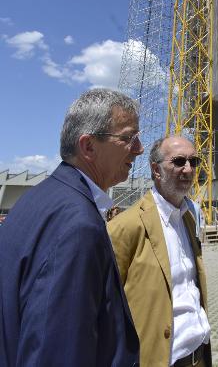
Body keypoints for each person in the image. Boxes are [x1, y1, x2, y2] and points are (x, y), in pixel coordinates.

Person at [0, 88, 142, 367]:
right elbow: (55, 353)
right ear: (88, 146)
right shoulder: (77, 225)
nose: (139, 148)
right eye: (128, 138)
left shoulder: (38, 198)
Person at [108, 135, 211, 367]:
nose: (188, 169)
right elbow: (106, 308)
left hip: (199, 355)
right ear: (156, 170)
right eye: (178, 161)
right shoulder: (126, 226)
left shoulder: (189, 218)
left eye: (193, 162)